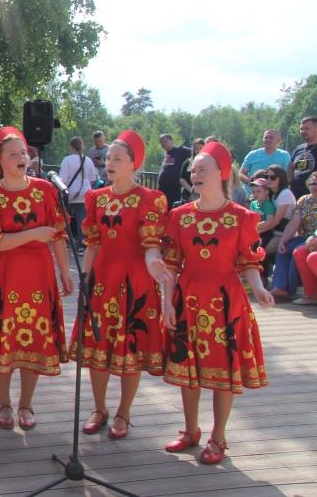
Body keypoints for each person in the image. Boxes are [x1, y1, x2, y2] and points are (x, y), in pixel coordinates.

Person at [160, 140, 274, 465]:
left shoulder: (241, 217)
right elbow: (171, 265)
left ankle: (218, 437)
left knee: (223, 370)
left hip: (226, 303)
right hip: (188, 299)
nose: (195, 174)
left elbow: (248, 261)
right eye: (193, 169)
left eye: (202, 169)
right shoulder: (179, 216)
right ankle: (190, 430)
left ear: (222, 173)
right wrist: (167, 302)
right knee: (188, 366)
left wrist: (259, 288)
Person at [0, 126, 73, 431]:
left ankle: (26, 403)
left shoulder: (46, 190)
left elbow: (58, 235)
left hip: (39, 275)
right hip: (4, 275)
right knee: (3, 337)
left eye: (24, 152)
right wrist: (34, 234)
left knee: (34, 337)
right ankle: (3, 403)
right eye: (13, 154)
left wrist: (64, 272)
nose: (21, 158)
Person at [70, 131, 169, 440]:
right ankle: (99, 408)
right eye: (109, 158)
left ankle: (124, 412)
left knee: (131, 349)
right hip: (102, 280)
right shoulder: (97, 198)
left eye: (117, 158)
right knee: (98, 345)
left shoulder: (150, 199)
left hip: (136, 281)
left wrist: (153, 261)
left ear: (134, 163)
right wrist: (85, 281)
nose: (109, 163)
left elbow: (151, 243)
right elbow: (93, 244)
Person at [279, 173, 317, 305]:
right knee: (297, 251)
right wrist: (283, 240)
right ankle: (312, 294)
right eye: (312, 183)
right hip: (307, 239)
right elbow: (294, 223)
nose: (314, 186)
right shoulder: (303, 200)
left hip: (313, 238)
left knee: (312, 256)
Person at [264, 165, 298, 300]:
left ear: (281, 178)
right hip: (273, 233)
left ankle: (279, 287)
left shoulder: (285, 194)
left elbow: (275, 221)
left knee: (260, 249)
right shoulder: (271, 195)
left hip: (285, 235)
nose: (269, 179)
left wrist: (255, 230)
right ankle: (262, 281)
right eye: (266, 177)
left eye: (273, 177)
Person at [58, 136, 96, 249]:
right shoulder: (88, 160)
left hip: (69, 192)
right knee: (82, 219)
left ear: (71, 147)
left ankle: (67, 241)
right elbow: (93, 179)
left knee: (66, 218)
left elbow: (62, 179)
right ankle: (81, 244)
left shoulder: (67, 160)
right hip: (85, 192)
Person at [238, 129, 290, 196]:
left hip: (273, 196)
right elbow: (241, 173)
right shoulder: (252, 155)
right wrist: (252, 183)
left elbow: (287, 176)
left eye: (271, 138)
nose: (267, 140)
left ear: (278, 140)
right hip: (251, 195)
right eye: (265, 137)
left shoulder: (284, 156)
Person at [157, 134, 192, 210]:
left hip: (174, 190)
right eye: (161, 142)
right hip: (162, 190)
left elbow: (195, 152)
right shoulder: (166, 153)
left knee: (172, 211)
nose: (163, 144)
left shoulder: (180, 151)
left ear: (171, 141)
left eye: (165, 141)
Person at [289, 116, 317, 198]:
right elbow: (291, 167)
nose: (303, 131)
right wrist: (287, 181)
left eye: (307, 129)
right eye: (301, 129)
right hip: (295, 197)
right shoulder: (299, 148)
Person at [178, 139, 205, 203]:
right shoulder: (188, 162)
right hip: (188, 195)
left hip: (204, 194)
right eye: (196, 149)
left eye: (200, 148)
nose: (198, 151)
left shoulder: (208, 162)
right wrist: (191, 190)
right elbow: (181, 179)